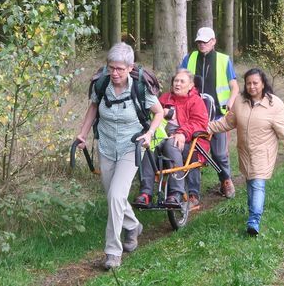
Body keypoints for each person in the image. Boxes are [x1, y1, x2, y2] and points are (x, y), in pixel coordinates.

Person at [75, 43, 164, 270]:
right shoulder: (103, 83)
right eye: (111, 68)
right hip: (106, 146)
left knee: (116, 196)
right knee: (114, 197)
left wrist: (149, 133)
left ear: (130, 68)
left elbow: (159, 112)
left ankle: (113, 252)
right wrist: (82, 135)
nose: (114, 73)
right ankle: (133, 226)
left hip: (130, 148)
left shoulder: (140, 87)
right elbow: (93, 108)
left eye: (120, 69)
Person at [208, 68, 284, 236]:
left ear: (263, 84)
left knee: (258, 184)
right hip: (244, 152)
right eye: (249, 83)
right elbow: (227, 122)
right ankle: (253, 211)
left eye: (255, 83)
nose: (252, 87)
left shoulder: (275, 104)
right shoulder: (239, 102)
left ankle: (254, 221)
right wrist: (207, 128)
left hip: (263, 152)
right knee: (251, 183)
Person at [135, 69, 209, 211]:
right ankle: (145, 193)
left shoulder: (196, 101)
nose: (178, 84)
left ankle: (175, 193)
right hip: (162, 137)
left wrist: (182, 132)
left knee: (171, 144)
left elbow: (199, 123)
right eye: (176, 81)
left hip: (189, 141)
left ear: (191, 85)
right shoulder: (164, 98)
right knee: (150, 148)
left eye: (182, 81)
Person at [180, 26, 239, 203]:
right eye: (199, 41)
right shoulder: (189, 58)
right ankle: (193, 194)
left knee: (219, 153)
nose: (201, 44)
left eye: (205, 41)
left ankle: (226, 181)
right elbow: (180, 80)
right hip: (193, 115)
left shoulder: (223, 60)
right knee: (192, 153)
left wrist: (230, 102)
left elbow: (234, 86)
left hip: (217, 115)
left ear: (213, 42)